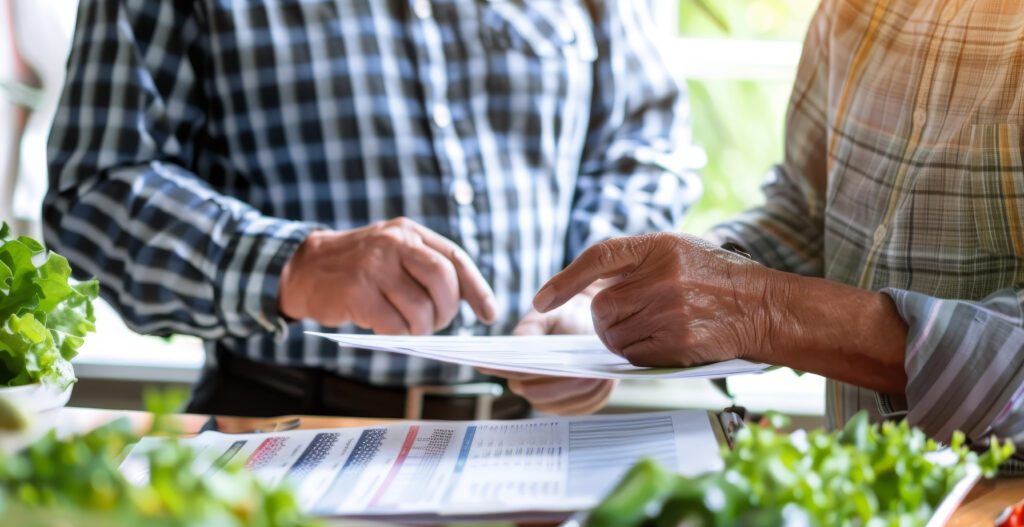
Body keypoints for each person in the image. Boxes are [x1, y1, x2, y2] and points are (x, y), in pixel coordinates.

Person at [43, 0, 700, 419]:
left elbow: (644, 141)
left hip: (544, 445)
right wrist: (295, 265)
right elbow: (94, 188)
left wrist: (592, 300)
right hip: (287, 435)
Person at [534, 0, 1024, 447]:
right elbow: (806, 216)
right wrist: (658, 292)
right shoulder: (854, 11)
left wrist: (761, 309)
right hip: (863, 500)